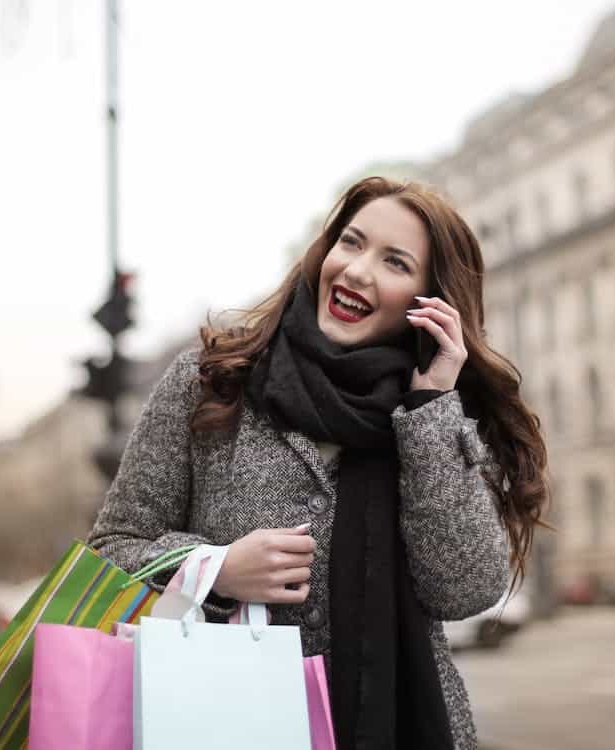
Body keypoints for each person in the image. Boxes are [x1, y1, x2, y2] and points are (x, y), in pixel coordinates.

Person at [89, 176, 548, 749]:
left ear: (429, 302)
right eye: (350, 243)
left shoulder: (436, 418)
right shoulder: (212, 382)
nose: (357, 270)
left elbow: (467, 591)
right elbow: (112, 548)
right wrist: (217, 569)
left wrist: (430, 406)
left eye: (395, 263)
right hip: (223, 722)